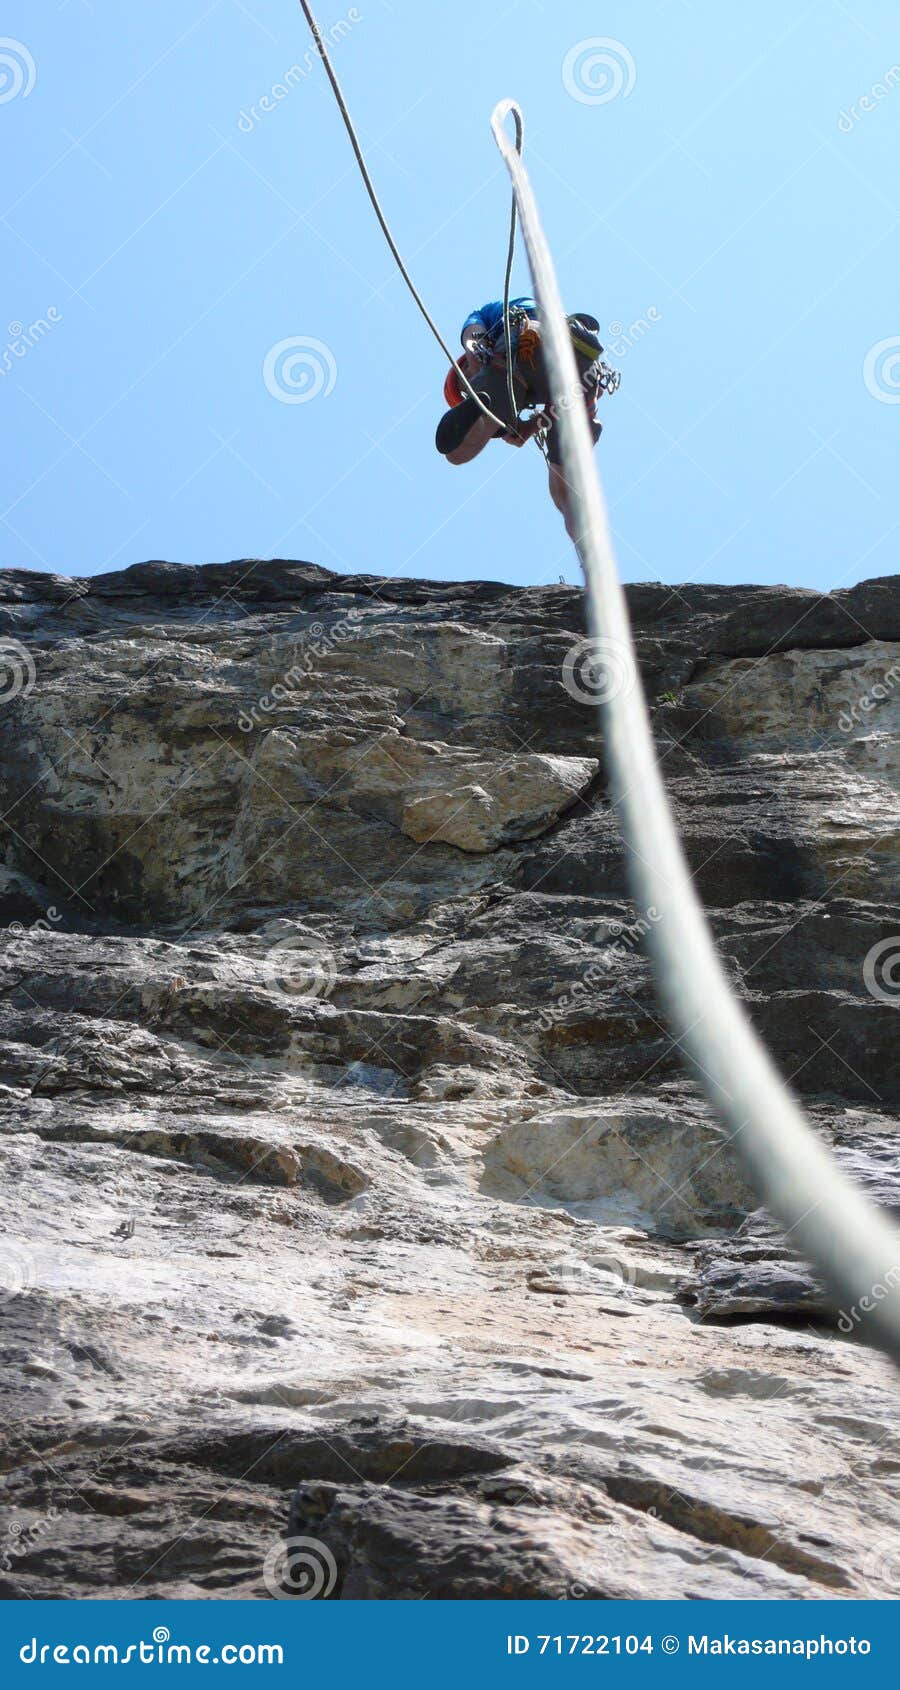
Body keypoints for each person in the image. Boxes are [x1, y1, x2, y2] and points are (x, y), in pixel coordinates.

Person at [435, 296, 620, 540]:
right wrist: (529, 427)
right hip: (579, 372)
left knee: (456, 454)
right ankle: (588, 546)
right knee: (562, 489)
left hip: (523, 347)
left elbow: (472, 332)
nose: (468, 387)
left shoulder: (490, 318)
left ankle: (484, 415)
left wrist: (476, 355)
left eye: (464, 383)